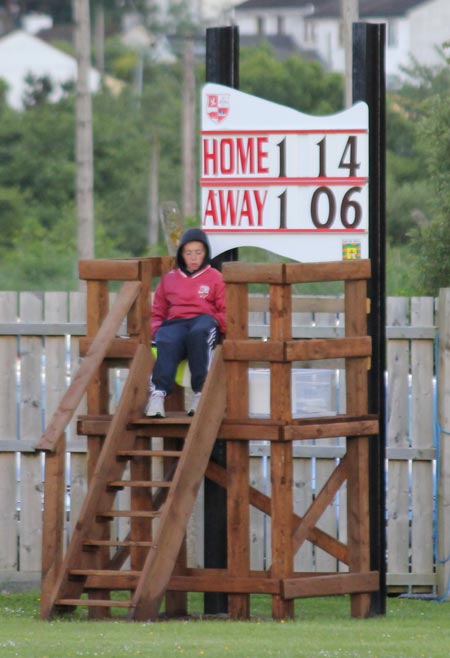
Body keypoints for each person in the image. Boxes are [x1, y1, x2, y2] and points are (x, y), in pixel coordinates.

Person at [145, 227, 226, 417]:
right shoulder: (170, 279)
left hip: (203, 321)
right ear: (182, 254)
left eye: (198, 252)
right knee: (166, 338)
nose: (193, 257)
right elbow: (158, 310)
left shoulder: (215, 278)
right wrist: (156, 330)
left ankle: (200, 394)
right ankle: (158, 395)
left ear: (205, 253)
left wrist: (220, 325)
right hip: (176, 323)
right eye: (188, 253)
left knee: (199, 334)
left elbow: (226, 310)